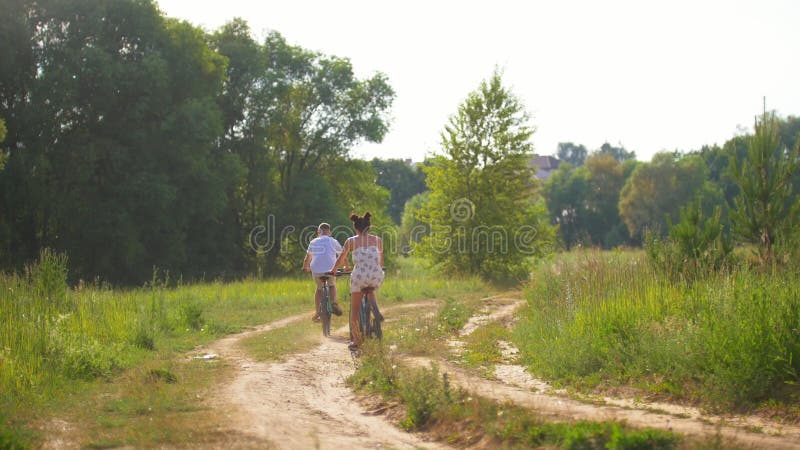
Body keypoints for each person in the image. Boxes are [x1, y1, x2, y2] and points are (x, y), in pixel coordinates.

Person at [333, 212, 384, 351]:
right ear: (369, 227)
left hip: (359, 276)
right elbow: (381, 260)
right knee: (371, 287)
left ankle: (356, 341)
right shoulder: (377, 240)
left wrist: (333, 270)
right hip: (376, 275)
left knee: (354, 309)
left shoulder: (351, 241)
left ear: (355, 228)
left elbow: (341, 259)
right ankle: (376, 310)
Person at [303, 222, 343, 322]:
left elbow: (307, 258)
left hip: (316, 270)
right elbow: (342, 255)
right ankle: (334, 302)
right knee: (332, 285)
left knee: (319, 289)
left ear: (318, 232)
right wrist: (347, 266)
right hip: (330, 270)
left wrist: (305, 267)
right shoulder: (333, 241)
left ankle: (317, 312)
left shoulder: (313, 242)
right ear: (329, 232)